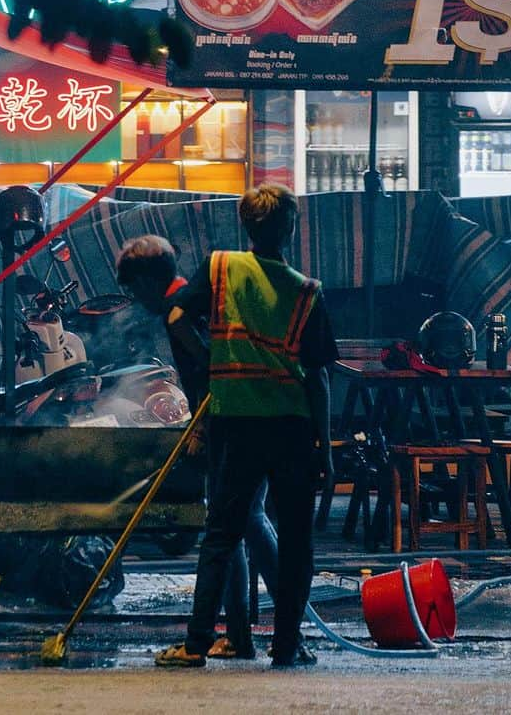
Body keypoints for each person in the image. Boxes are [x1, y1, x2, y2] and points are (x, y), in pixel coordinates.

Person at [124, 183, 339, 669]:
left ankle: (195, 645)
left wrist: (212, 362)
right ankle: (286, 646)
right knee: (297, 542)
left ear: (246, 225)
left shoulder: (221, 267)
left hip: (236, 421)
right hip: (291, 426)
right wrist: (324, 446)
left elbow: (178, 316)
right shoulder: (307, 291)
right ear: (289, 229)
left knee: (221, 533)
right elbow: (320, 377)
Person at [116, 233, 277, 661]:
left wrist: (201, 429)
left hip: (234, 425)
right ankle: (241, 635)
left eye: (132, 289)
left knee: (244, 525)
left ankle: (286, 621)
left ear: (149, 282)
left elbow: (212, 373)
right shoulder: (193, 298)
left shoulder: (178, 315)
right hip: (252, 417)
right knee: (239, 527)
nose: (133, 299)